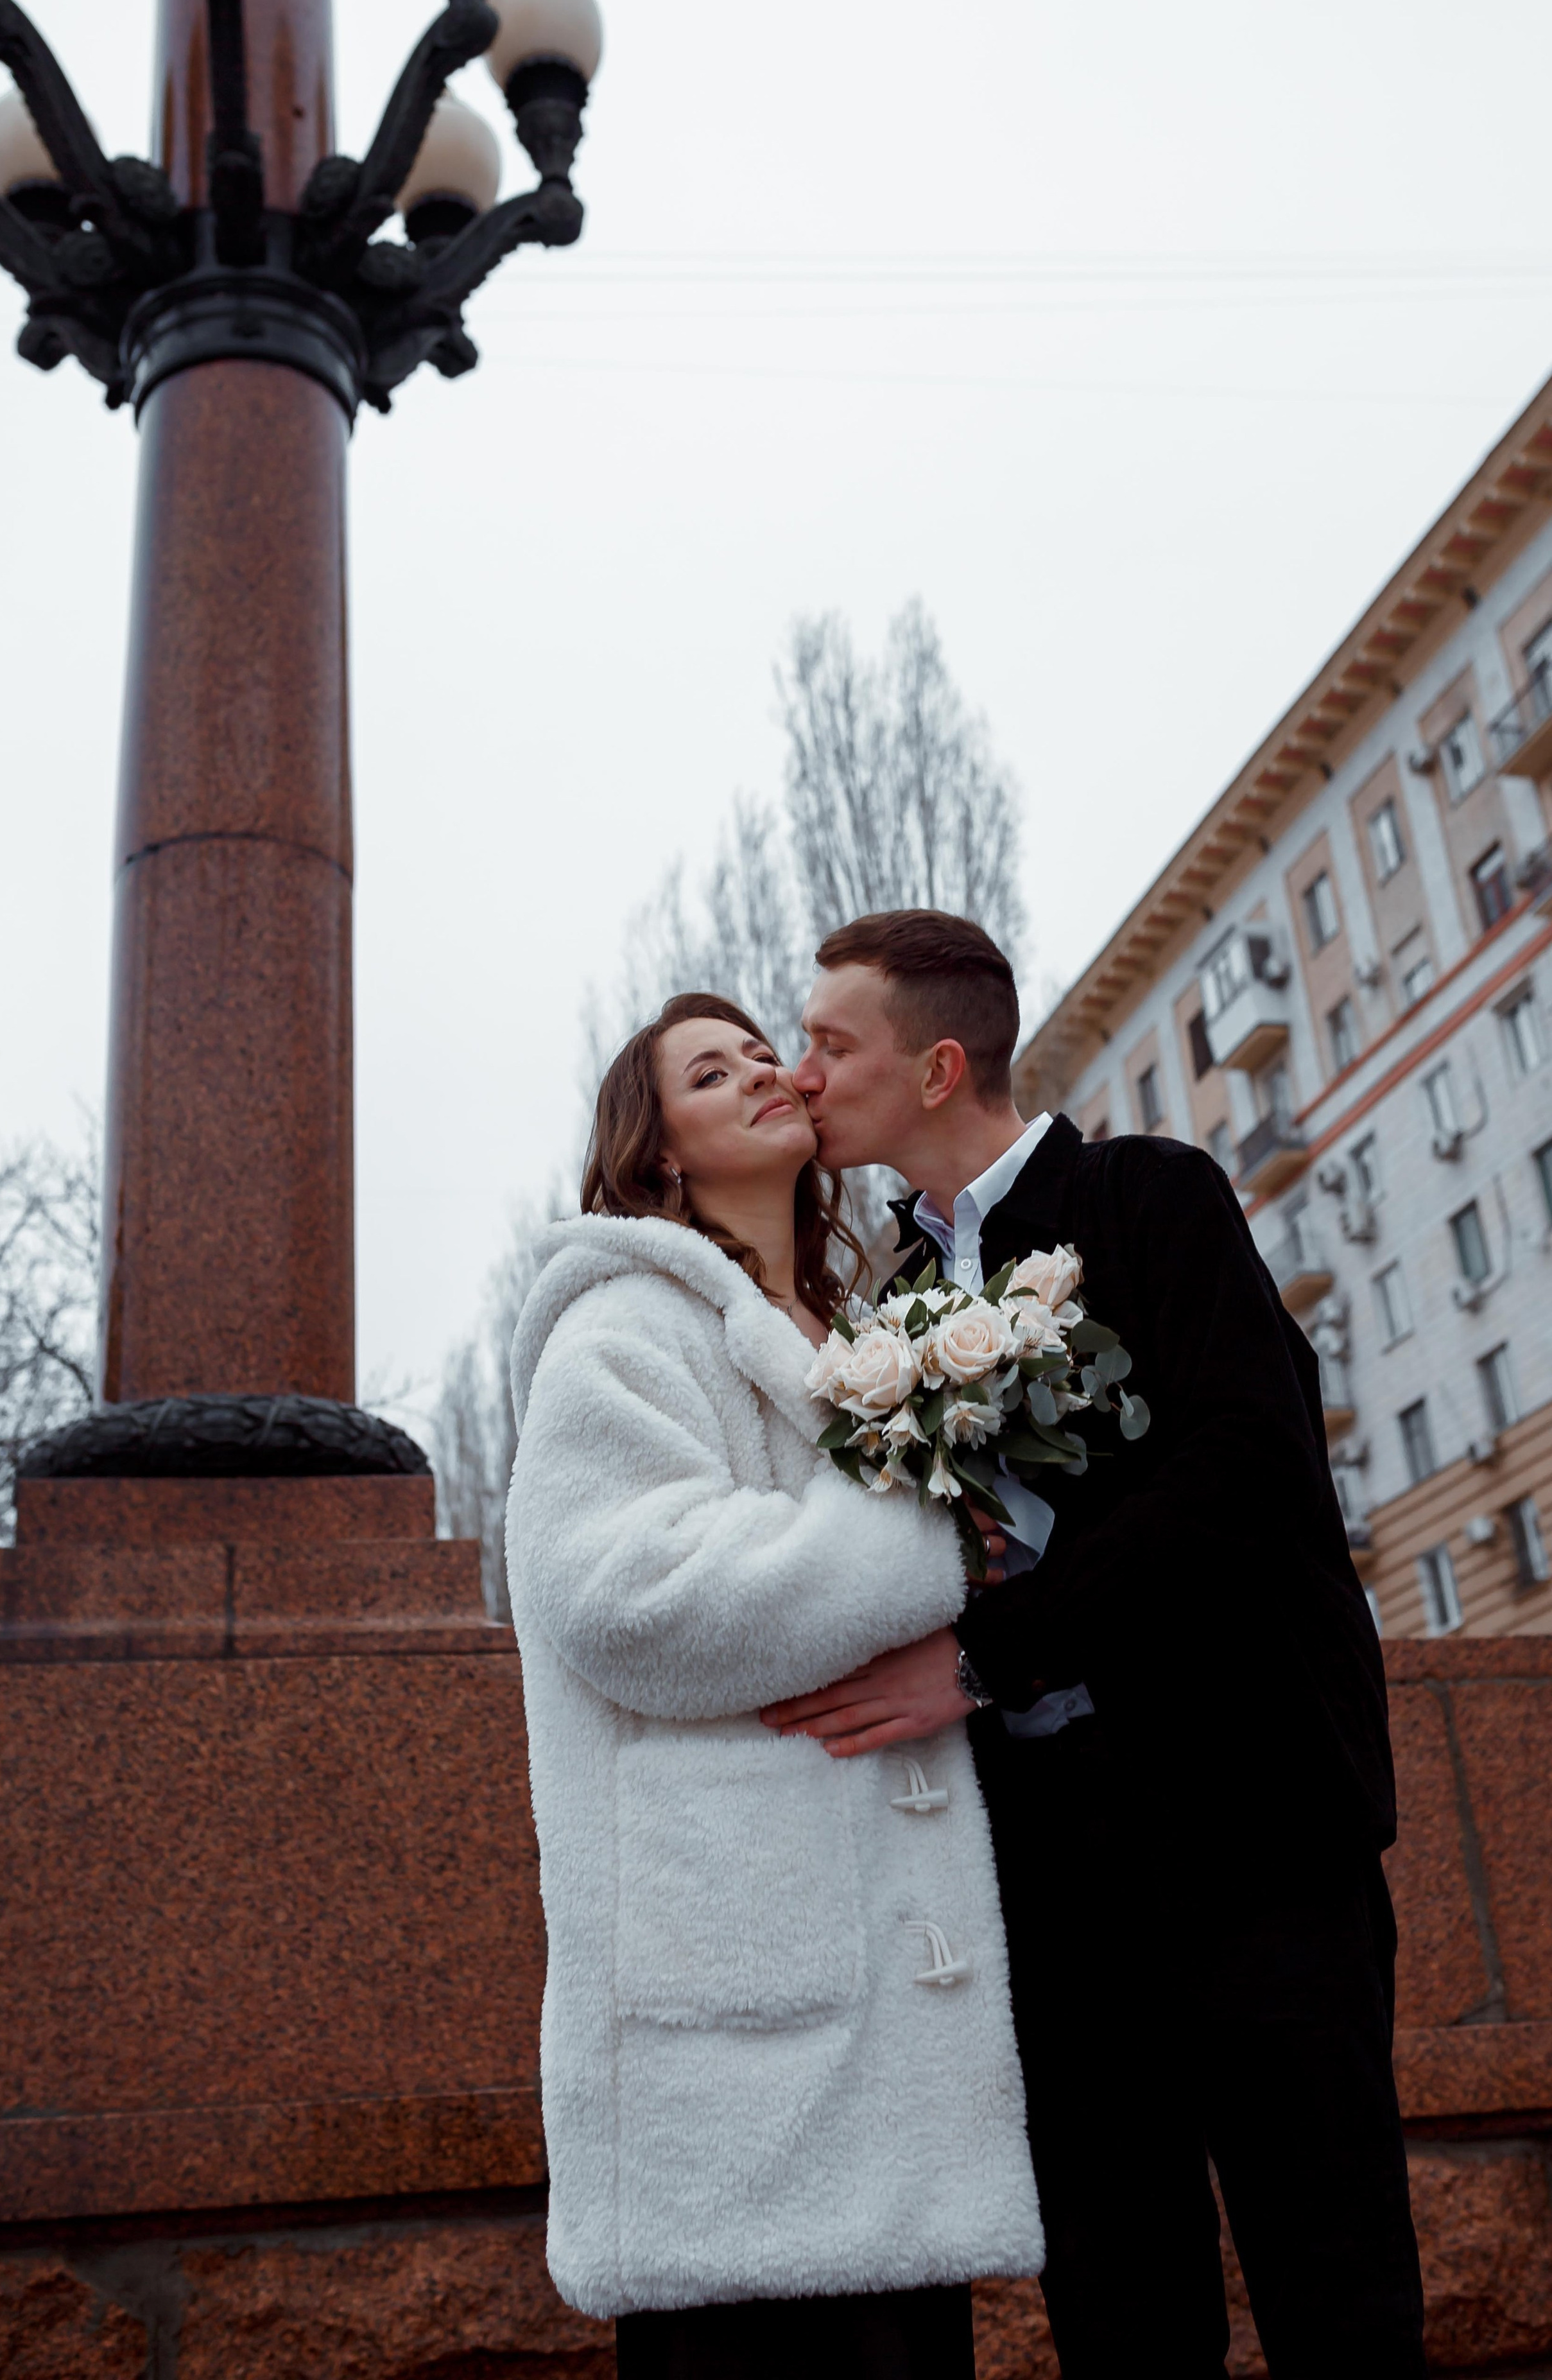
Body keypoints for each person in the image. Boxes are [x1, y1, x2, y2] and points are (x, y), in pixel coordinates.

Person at [764, 910, 1427, 2380]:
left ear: (936, 1066)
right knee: (1119, 2312)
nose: (799, 1072)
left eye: (829, 1041)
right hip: (1044, 1876)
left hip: (1250, 1832)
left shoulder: (1149, 1196)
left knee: (1337, 2290)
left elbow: (1241, 1471)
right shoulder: (885, 1311)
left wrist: (987, 1653)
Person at [504, 991, 1042, 2380]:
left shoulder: (852, 1329)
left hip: (880, 2007)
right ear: (657, 1148)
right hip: (737, 2029)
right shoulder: (621, 1322)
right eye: (707, 1066)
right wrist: (925, 1541)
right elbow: (629, 1594)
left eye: (762, 1052)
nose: (757, 1071)